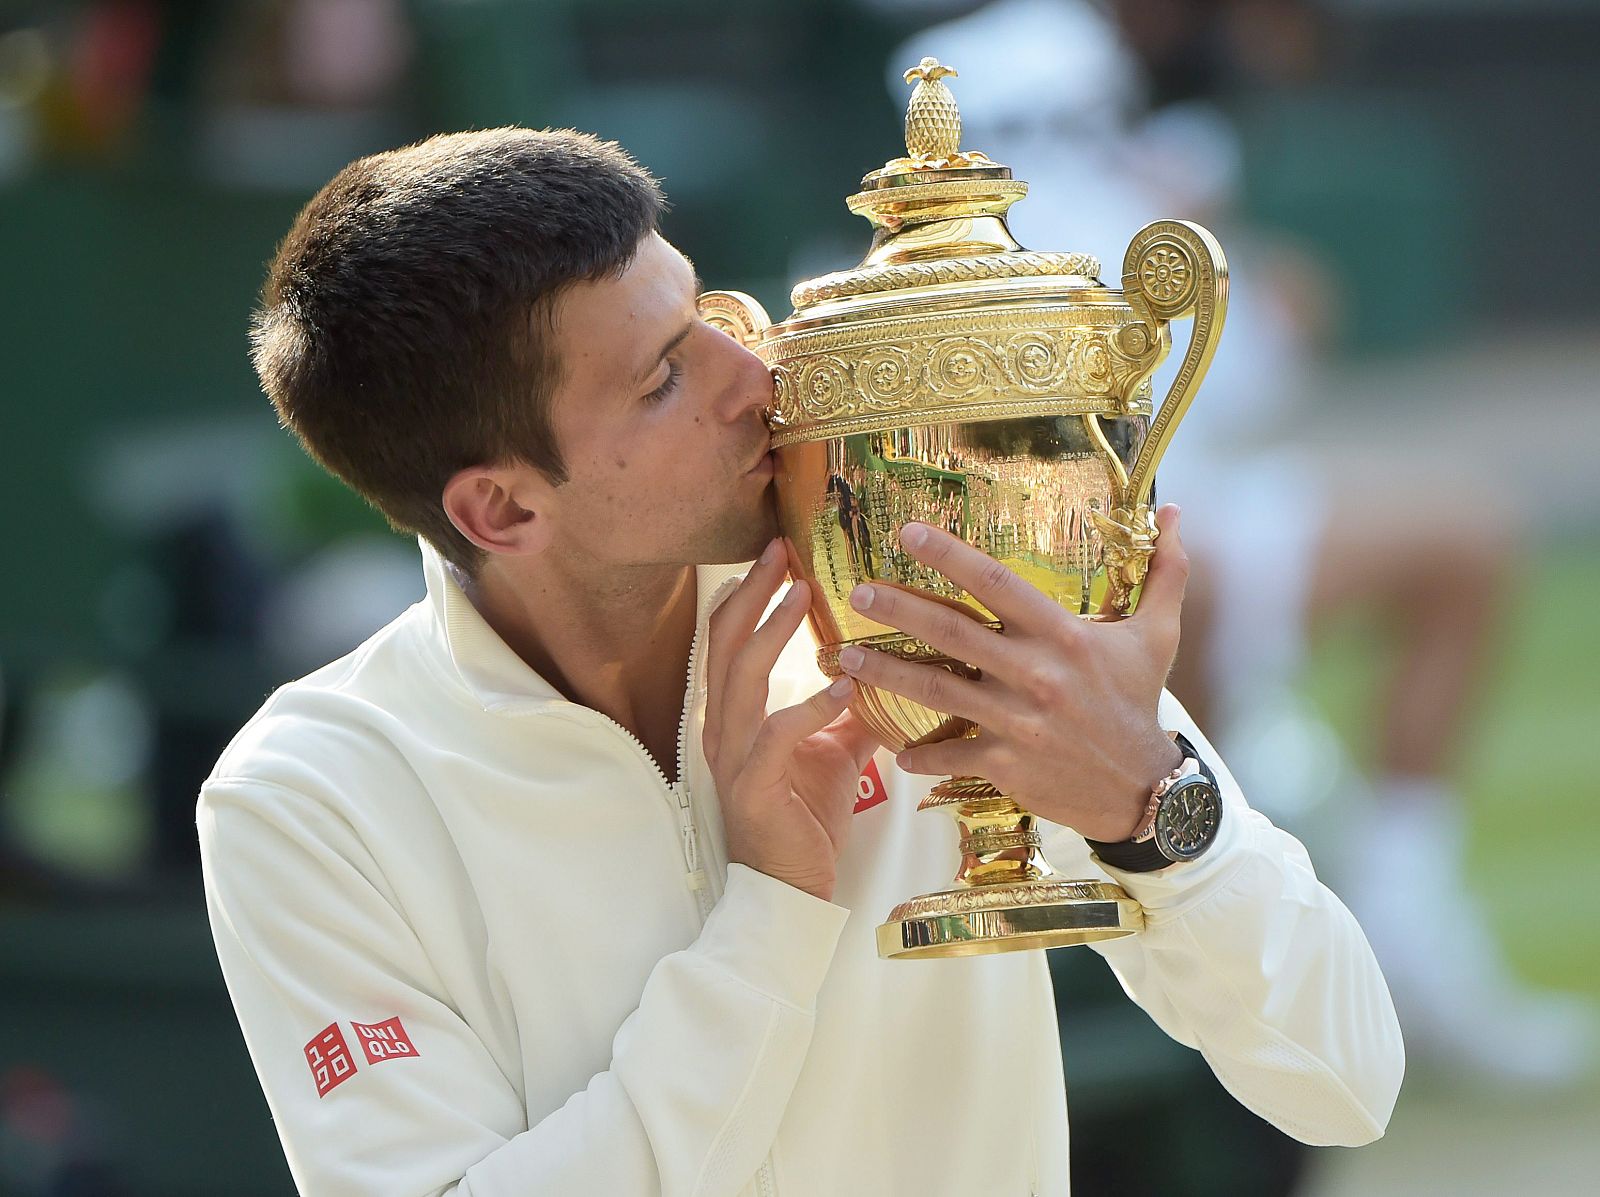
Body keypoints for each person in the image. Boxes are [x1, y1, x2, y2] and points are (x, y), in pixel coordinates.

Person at [197, 127, 1403, 1196]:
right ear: (501, 510)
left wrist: (1153, 807)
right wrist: (771, 912)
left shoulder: (922, 609)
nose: (757, 378)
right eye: (664, 378)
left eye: (705, 315)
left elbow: (1346, 1079)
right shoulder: (308, 798)